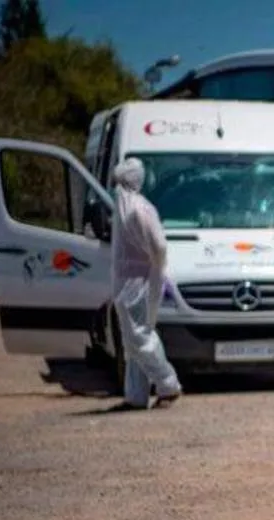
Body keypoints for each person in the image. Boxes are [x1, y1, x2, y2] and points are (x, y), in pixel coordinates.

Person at [111, 157, 182, 409]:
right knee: (131, 341)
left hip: (140, 282)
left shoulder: (138, 209)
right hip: (128, 283)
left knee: (140, 337)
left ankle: (168, 384)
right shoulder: (124, 208)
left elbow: (159, 246)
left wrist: (156, 269)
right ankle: (135, 396)